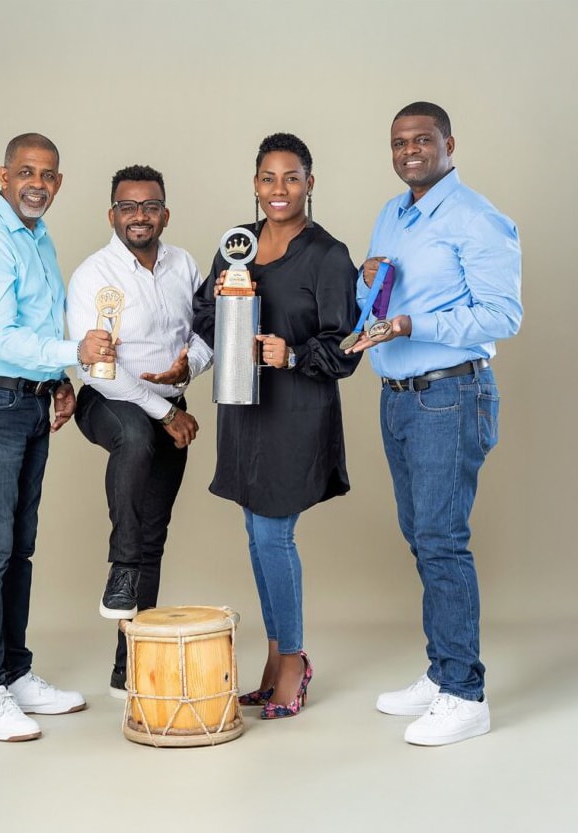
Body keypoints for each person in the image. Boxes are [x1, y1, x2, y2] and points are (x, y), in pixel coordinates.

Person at [344, 102, 522, 746]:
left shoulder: (477, 218)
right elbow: (383, 301)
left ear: (450, 143)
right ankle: (440, 669)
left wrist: (415, 326)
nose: (410, 150)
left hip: (451, 394)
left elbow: (502, 315)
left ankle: (464, 693)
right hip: (398, 395)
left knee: (443, 538)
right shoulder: (393, 214)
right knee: (421, 536)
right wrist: (369, 290)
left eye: (422, 140)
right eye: (399, 142)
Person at [0, 133, 115, 742]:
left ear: (59, 183)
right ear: (3, 174)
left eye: (47, 174)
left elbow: (34, 328)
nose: (36, 183)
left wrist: (60, 378)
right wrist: (76, 353)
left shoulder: (39, 238)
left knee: (18, 547)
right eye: (25, 172)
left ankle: (13, 675)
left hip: (26, 399)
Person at [193, 133, 361, 719]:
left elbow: (346, 347)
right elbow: (203, 314)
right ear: (255, 183)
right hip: (243, 412)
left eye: (291, 178)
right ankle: (272, 658)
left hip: (295, 413)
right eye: (268, 178)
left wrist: (288, 355)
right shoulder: (235, 246)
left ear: (310, 184)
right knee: (255, 535)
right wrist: (224, 307)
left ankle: (293, 659)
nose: (278, 189)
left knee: (273, 536)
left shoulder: (329, 255)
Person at [66, 164, 212, 698]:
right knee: (134, 434)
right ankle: (120, 567)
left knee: (155, 535)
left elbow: (207, 332)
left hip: (171, 405)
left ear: (165, 214)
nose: (139, 216)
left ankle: (129, 670)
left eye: (150, 206)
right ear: (112, 215)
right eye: (128, 207)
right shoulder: (92, 275)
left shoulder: (185, 264)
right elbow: (95, 368)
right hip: (109, 400)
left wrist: (186, 371)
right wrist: (165, 413)